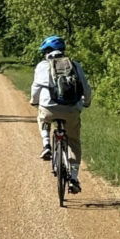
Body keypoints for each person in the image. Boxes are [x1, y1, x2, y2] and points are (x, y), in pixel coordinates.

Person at [30, 35, 92, 194]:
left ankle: (46, 145)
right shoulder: (75, 65)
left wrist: (34, 101)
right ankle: (73, 178)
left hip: (49, 107)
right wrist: (86, 102)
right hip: (72, 109)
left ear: (46, 52)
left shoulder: (42, 66)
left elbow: (36, 88)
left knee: (42, 118)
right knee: (74, 142)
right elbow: (86, 88)